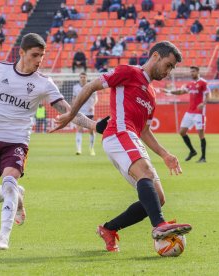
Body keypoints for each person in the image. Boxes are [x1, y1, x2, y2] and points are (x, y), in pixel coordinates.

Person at [51, 41, 192, 252]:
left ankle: (109, 229)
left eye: (172, 68)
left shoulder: (151, 95)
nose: (169, 72)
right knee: (145, 173)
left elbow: (144, 131)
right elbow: (91, 86)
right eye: (169, 65)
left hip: (131, 137)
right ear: (155, 56)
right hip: (118, 133)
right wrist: (71, 115)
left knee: (158, 198)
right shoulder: (128, 72)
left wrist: (165, 154)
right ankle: (159, 226)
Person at [0, 33, 96, 250]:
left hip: (16, 141)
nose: (38, 60)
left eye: (41, 56)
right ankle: (18, 194)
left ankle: (3, 237)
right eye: (34, 55)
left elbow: (68, 111)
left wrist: (95, 126)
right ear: (21, 53)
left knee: (7, 182)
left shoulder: (44, 83)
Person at [163, 66, 210, 163]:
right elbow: (181, 92)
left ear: (197, 72)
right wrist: (169, 92)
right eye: (191, 71)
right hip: (190, 111)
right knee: (182, 132)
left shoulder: (203, 82)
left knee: (200, 134)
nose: (191, 73)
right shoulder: (190, 84)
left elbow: (209, 94)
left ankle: (203, 157)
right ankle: (192, 151)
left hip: (198, 112)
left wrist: (204, 103)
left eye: (193, 71)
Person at [73, 72, 98, 155]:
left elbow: (95, 98)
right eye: (81, 77)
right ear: (79, 78)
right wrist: (74, 108)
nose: (82, 78)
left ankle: (91, 149)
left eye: (84, 77)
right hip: (80, 111)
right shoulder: (75, 87)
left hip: (89, 111)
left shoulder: (91, 86)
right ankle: (79, 149)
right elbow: (74, 98)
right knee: (79, 129)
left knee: (91, 130)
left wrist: (93, 106)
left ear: (86, 78)